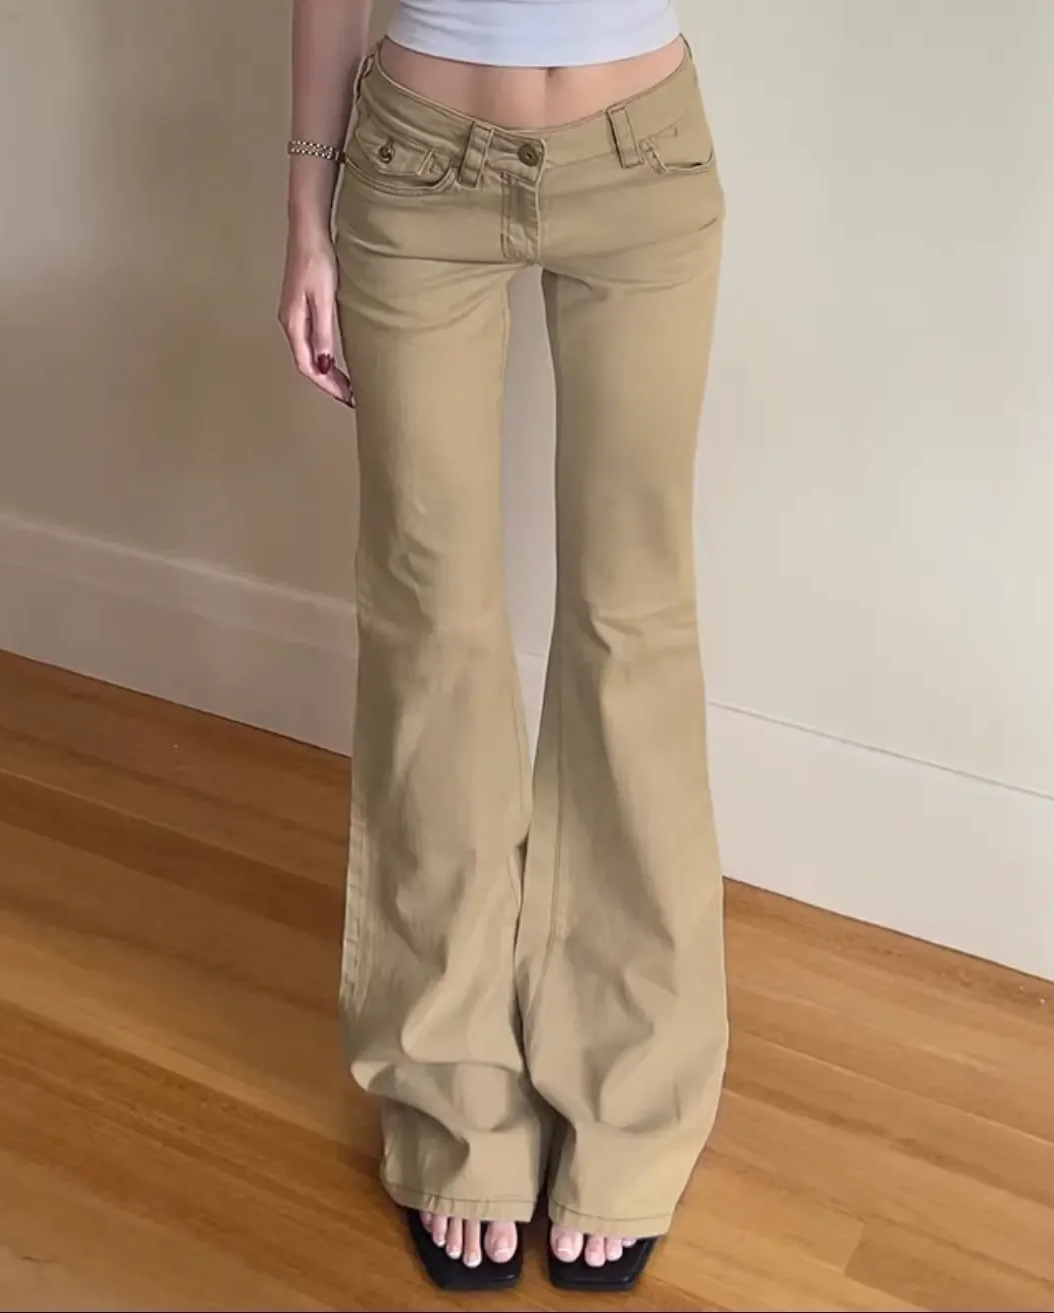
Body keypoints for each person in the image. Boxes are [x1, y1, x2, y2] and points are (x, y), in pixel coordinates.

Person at [278, 0, 728, 1293]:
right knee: (431, 632)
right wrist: (305, 205)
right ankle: (453, 1101)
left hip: (643, 163)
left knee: (632, 628)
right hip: (417, 161)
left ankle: (632, 1096)